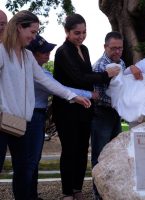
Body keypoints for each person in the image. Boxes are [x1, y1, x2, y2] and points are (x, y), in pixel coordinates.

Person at [0, 10, 90, 200]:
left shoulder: (27, 56)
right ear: (18, 28)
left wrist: (73, 96)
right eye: (32, 32)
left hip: (20, 123)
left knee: (24, 170)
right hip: (2, 122)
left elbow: (47, 81)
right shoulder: (1, 51)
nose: (34, 37)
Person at [52, 14, 120, 200]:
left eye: (84, 32)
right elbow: (78, 78)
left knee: (82, 148)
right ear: (66, 32)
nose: (81, 36)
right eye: (76, 33)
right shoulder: (62, 52)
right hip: (66, 107)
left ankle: (77, 188)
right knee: (69, 149)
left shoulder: (85, 49)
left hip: (85, 107)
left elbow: (87, 75)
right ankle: (67, 192)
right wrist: (106, 75)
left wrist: (92, 93)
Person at [26, 34, 99, 200]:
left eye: (48, 50)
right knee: (29, 160)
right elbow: (58, 87)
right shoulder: (37, 73)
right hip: (32, 115)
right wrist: (89, 94)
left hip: (38, 114)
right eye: (43, 52)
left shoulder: (40, 70)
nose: (48, 54)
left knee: (33, 159)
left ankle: (31, 194)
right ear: (34, 54)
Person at [91, 31, 125, 200]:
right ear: (105, 47)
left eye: (120, 48)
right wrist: (120, 102)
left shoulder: (122, 63)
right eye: (113, 48)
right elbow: (98, 95)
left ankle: (112, 191)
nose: (117, 52)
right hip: (101, 115)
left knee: (115, 154)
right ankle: (98, 194)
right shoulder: (99, 66)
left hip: (115, 115)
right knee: (99, 155)